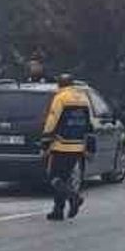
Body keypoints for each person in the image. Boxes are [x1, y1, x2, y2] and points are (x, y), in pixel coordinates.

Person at [40, 75, 90, 221]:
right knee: (64, 178)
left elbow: (52, 120)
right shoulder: (83, 98)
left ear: (59, 84)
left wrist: (45, 141)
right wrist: (89, 145)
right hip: (78, 146)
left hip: (61, 145)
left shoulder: (60, 98)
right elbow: (88, 123)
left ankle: (73, 197)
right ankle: (58, 210)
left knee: (54, 177)